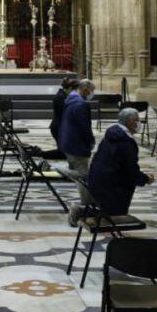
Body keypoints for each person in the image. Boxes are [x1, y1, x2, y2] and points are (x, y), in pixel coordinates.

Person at [87, 108, 154, 216]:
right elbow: (130, 172)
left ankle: (84, 211)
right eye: (137, 120)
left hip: (96, 182)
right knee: (115, 217)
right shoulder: (125, 143)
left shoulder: (112, 135)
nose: (139, 123)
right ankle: (83, 213)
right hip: (110, 187)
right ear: (131, 122)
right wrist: (146, 179)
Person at [58, 78, 96, 225]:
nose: (92, 94)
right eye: (92, 91)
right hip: (77, 145)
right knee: (84, 175)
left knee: (81, 177)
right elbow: (84, 128)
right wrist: (90, 142)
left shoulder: (70, 100)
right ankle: (83, 209)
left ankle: (85, 205)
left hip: (69, 142)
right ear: (86, 89)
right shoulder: (80, 104)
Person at [49, 76, 80, 145]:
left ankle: (39, 153)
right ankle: (39, 153)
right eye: (76, 90)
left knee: (63, 152)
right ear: (70, 88)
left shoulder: (64, 96)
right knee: (63, 152)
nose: (77, 93)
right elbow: (64, 114)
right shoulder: (61, 97)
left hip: (61, 127)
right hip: (59, 128)